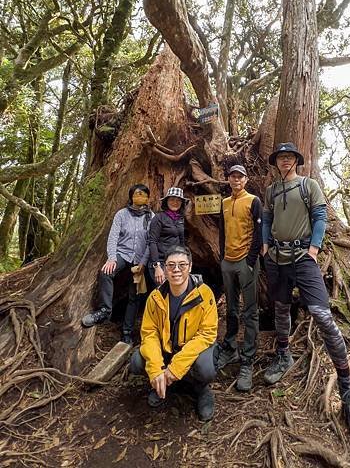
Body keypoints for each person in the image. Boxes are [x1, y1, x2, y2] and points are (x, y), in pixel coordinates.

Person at [262, 143, 350, 444]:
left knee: (323, 317)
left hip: (303, 258)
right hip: (276, 258)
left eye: (289, 157)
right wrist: (264, 244)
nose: (284, 161)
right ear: (276, 163)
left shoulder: (309, 185)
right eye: (280, 158)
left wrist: (314, 247)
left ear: (296, 161)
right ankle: (284, 354)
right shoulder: (271, 190)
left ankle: (348, 389)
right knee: (281, 308)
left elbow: (320, 217)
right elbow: (268, 219)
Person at [129, 246, 218, 421]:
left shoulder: (204, 294)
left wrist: (176, 367)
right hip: (167, 351)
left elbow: (207, 334)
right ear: (165, 268)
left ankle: (201, 390)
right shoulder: (155, 297)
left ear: (190, 267)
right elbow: (149, 333)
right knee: (137, 361)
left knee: (206, 368)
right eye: (171, 265)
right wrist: (156, 369)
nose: (176, 270)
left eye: (182, 265)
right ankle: (162, 384)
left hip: (191, 352)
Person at [82, 184, 153, 344]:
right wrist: (112, 258)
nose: (139, 196)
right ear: (131, 197)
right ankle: (104, 310)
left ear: (148, 198)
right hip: (123, 254)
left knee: (135, 295)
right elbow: (113, 237)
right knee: (106, 273)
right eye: (136, 194)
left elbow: (151, 242)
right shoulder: (122, 214)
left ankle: (127, 331)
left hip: (140, 259)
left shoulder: (151, 217)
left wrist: (143, 262)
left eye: (143, 194)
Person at [217, 164, 262, 392]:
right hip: (228, 261)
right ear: (228, 180)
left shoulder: (253, 201)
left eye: (240, 177)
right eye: (232, 177)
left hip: (246, 261)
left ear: (245, 180)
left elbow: (259, 232)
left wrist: (251, 260)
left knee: (250, 310)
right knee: (231, 308)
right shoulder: (224, 203)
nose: (236, 180)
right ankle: (230, 346)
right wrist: (222, 256)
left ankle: (248, 359)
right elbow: (222, 231)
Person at [140, 187, 189, 289]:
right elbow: (152, 242)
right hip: (160, 262)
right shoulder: (159, 218)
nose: (175, 202)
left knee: (177, 292)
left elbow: (181, 242)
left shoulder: (180, 218)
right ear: (166, 201)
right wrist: (157, 266)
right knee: (164, 292)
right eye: (172, 199)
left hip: (175, 262)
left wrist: (185, 261)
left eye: (178, 200)